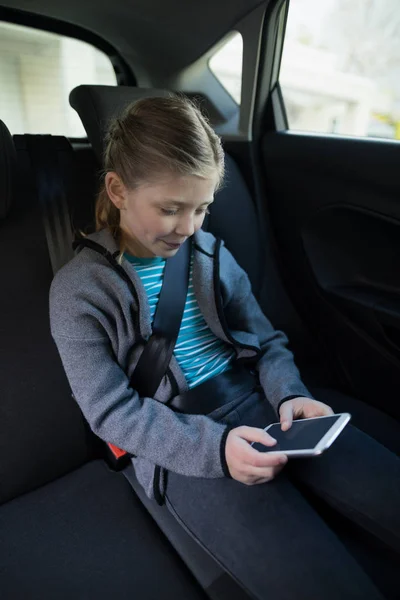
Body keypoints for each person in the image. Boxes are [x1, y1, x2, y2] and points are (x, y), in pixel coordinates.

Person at [50, 95, 400, 600]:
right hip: (177, 439)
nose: (190, 227)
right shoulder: (79, 291)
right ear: (117, 190)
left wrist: (288, 396)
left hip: (262, 404)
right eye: (171, 209)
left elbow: (266, 341)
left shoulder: (209, 253)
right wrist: (214, 449)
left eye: (202, 208)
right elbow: (110, 412)